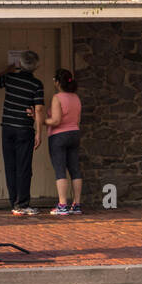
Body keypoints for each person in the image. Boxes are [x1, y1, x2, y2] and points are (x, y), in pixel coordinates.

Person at [0, 51, 45, 216]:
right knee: (23, 167)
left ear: (20, 63)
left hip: (7, 127)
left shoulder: (10, 78)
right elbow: (38, 109)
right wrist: (39, 132)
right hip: (24, 128)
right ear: (36, 66)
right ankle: (22, 204)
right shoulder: (36, 84)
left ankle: (14, 202)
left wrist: (8, 69)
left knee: (10, 166)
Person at [44, 68, 83, 216]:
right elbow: (78, 119)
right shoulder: (76, 97)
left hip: (59, 136)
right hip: (74, 133)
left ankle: (62, 205)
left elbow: (55, 120)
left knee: (60, 170)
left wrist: (41, 121)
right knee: (75, 170)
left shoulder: (57, 98)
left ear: (58, 82)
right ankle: (77, 204)